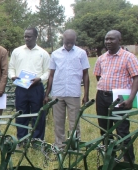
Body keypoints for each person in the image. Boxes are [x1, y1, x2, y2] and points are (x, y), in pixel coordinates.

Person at [94, 30, 138, 163]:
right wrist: (105, 89)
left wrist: (130, 99)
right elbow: (98, 75)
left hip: (120, 98)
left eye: (112, 39)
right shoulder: (101, 58)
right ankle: (110, 161)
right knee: (105, 130)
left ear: (120, 40)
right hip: (101, 96)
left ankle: (128, 162)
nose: (108, 42)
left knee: (122, 131)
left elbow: (136, 78)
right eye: (106, 39)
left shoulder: (128, 57)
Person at [44, 29, 90, 149]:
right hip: (58, 92)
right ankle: (60, 146)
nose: (69, 44)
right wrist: (47, 94)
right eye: (67, 42)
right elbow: (51, 75)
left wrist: (86, 94)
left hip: (73, 93)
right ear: (63, 39)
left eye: (72, 42)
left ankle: (75, 145)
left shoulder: (81, 53)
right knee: (58, 122)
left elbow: (85, 74)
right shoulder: (55, 54)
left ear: (75, 40)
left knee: (74, 122)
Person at [8, 27, 50, 141]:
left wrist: (39, 79)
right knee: (21, 114)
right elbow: (11, 68)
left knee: (38, 115)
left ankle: (37, 140)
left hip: (36, 88)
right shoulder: (17, 51)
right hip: (21, 87)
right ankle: (22, 139)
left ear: (36, 37)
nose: (26, 39)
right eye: (25, 36)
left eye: (29, 36)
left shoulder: (43, 53)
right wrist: (12, 76)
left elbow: (48, 71)